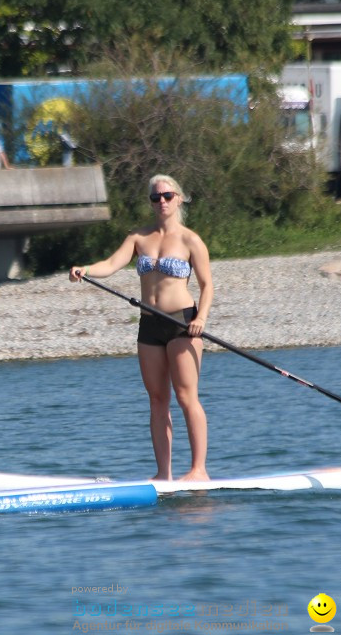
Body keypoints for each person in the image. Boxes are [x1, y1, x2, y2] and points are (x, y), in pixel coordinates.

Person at [69, 174, 213, 481]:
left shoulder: (191, 240)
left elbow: (207, 285)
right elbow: (110, 264)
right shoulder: (139, 238)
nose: (161, 201)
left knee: (187, 396)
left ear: (179, 198)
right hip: (149, 325)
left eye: (167, 196)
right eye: (155, 197)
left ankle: (199, 470)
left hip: (182, 323)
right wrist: (86, 269)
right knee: (157, 399)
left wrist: (200, 318)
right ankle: (164, 474)